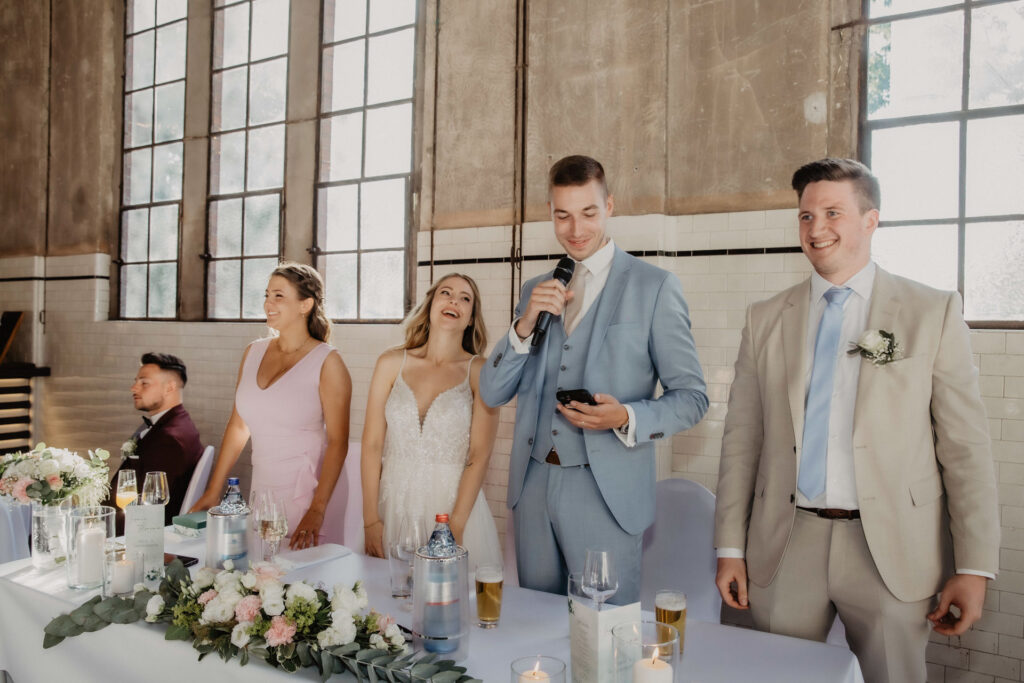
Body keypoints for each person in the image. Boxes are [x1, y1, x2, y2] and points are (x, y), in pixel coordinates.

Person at [713, 158, 999, 683]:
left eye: (832, 213)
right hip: (786, 542)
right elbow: (741, 441)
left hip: (892, 548)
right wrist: (730, 548)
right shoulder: (765, 318)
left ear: (870, 221)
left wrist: (974, 566)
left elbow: (965, 448)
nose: (816, 228)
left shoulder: (930, 311)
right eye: (805, 216)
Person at [480, 155, 708, 604]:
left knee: (604, 634)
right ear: (550, 212)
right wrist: (523, 326)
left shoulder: (654, 287)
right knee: (534, 632)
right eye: (562, 215)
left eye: (588, 213)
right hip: (532, 489)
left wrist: (626, 415)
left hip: (606, 492)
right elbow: (492, 390)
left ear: (610, 206)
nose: (576, 229)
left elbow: (692, 398)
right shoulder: (535, 289)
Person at [191, 262, 352, 550]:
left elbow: (339, 442)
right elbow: (239, 425)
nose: (268, 303)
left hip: (310, 495)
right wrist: (213, 490)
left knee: (305, 585)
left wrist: (317, 509)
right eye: (267, 295)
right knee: (263, 575)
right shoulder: (253, 352)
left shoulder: (328, 362)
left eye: (279, 296)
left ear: (305, 305)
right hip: (263, 491)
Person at [361, 273, 502, 571]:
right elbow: (372, 445)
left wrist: (457, 527)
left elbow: (479, 455)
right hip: (394, 506)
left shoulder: (479, 370)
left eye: (465, 298)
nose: (454, 300)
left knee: (452, 607)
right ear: (430, 304)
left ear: (470, 318)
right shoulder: (390, 362)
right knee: (388, 606)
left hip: (454, 509)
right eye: (446, 293)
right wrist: (370, 518)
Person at [112, 352, 203, 528]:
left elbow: (150, 509)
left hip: (132, 530)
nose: (134, 388)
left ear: (169, 387)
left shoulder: (169, 439)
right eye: (136, 381)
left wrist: (94, 523)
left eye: (144, 383)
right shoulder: (177, 424)